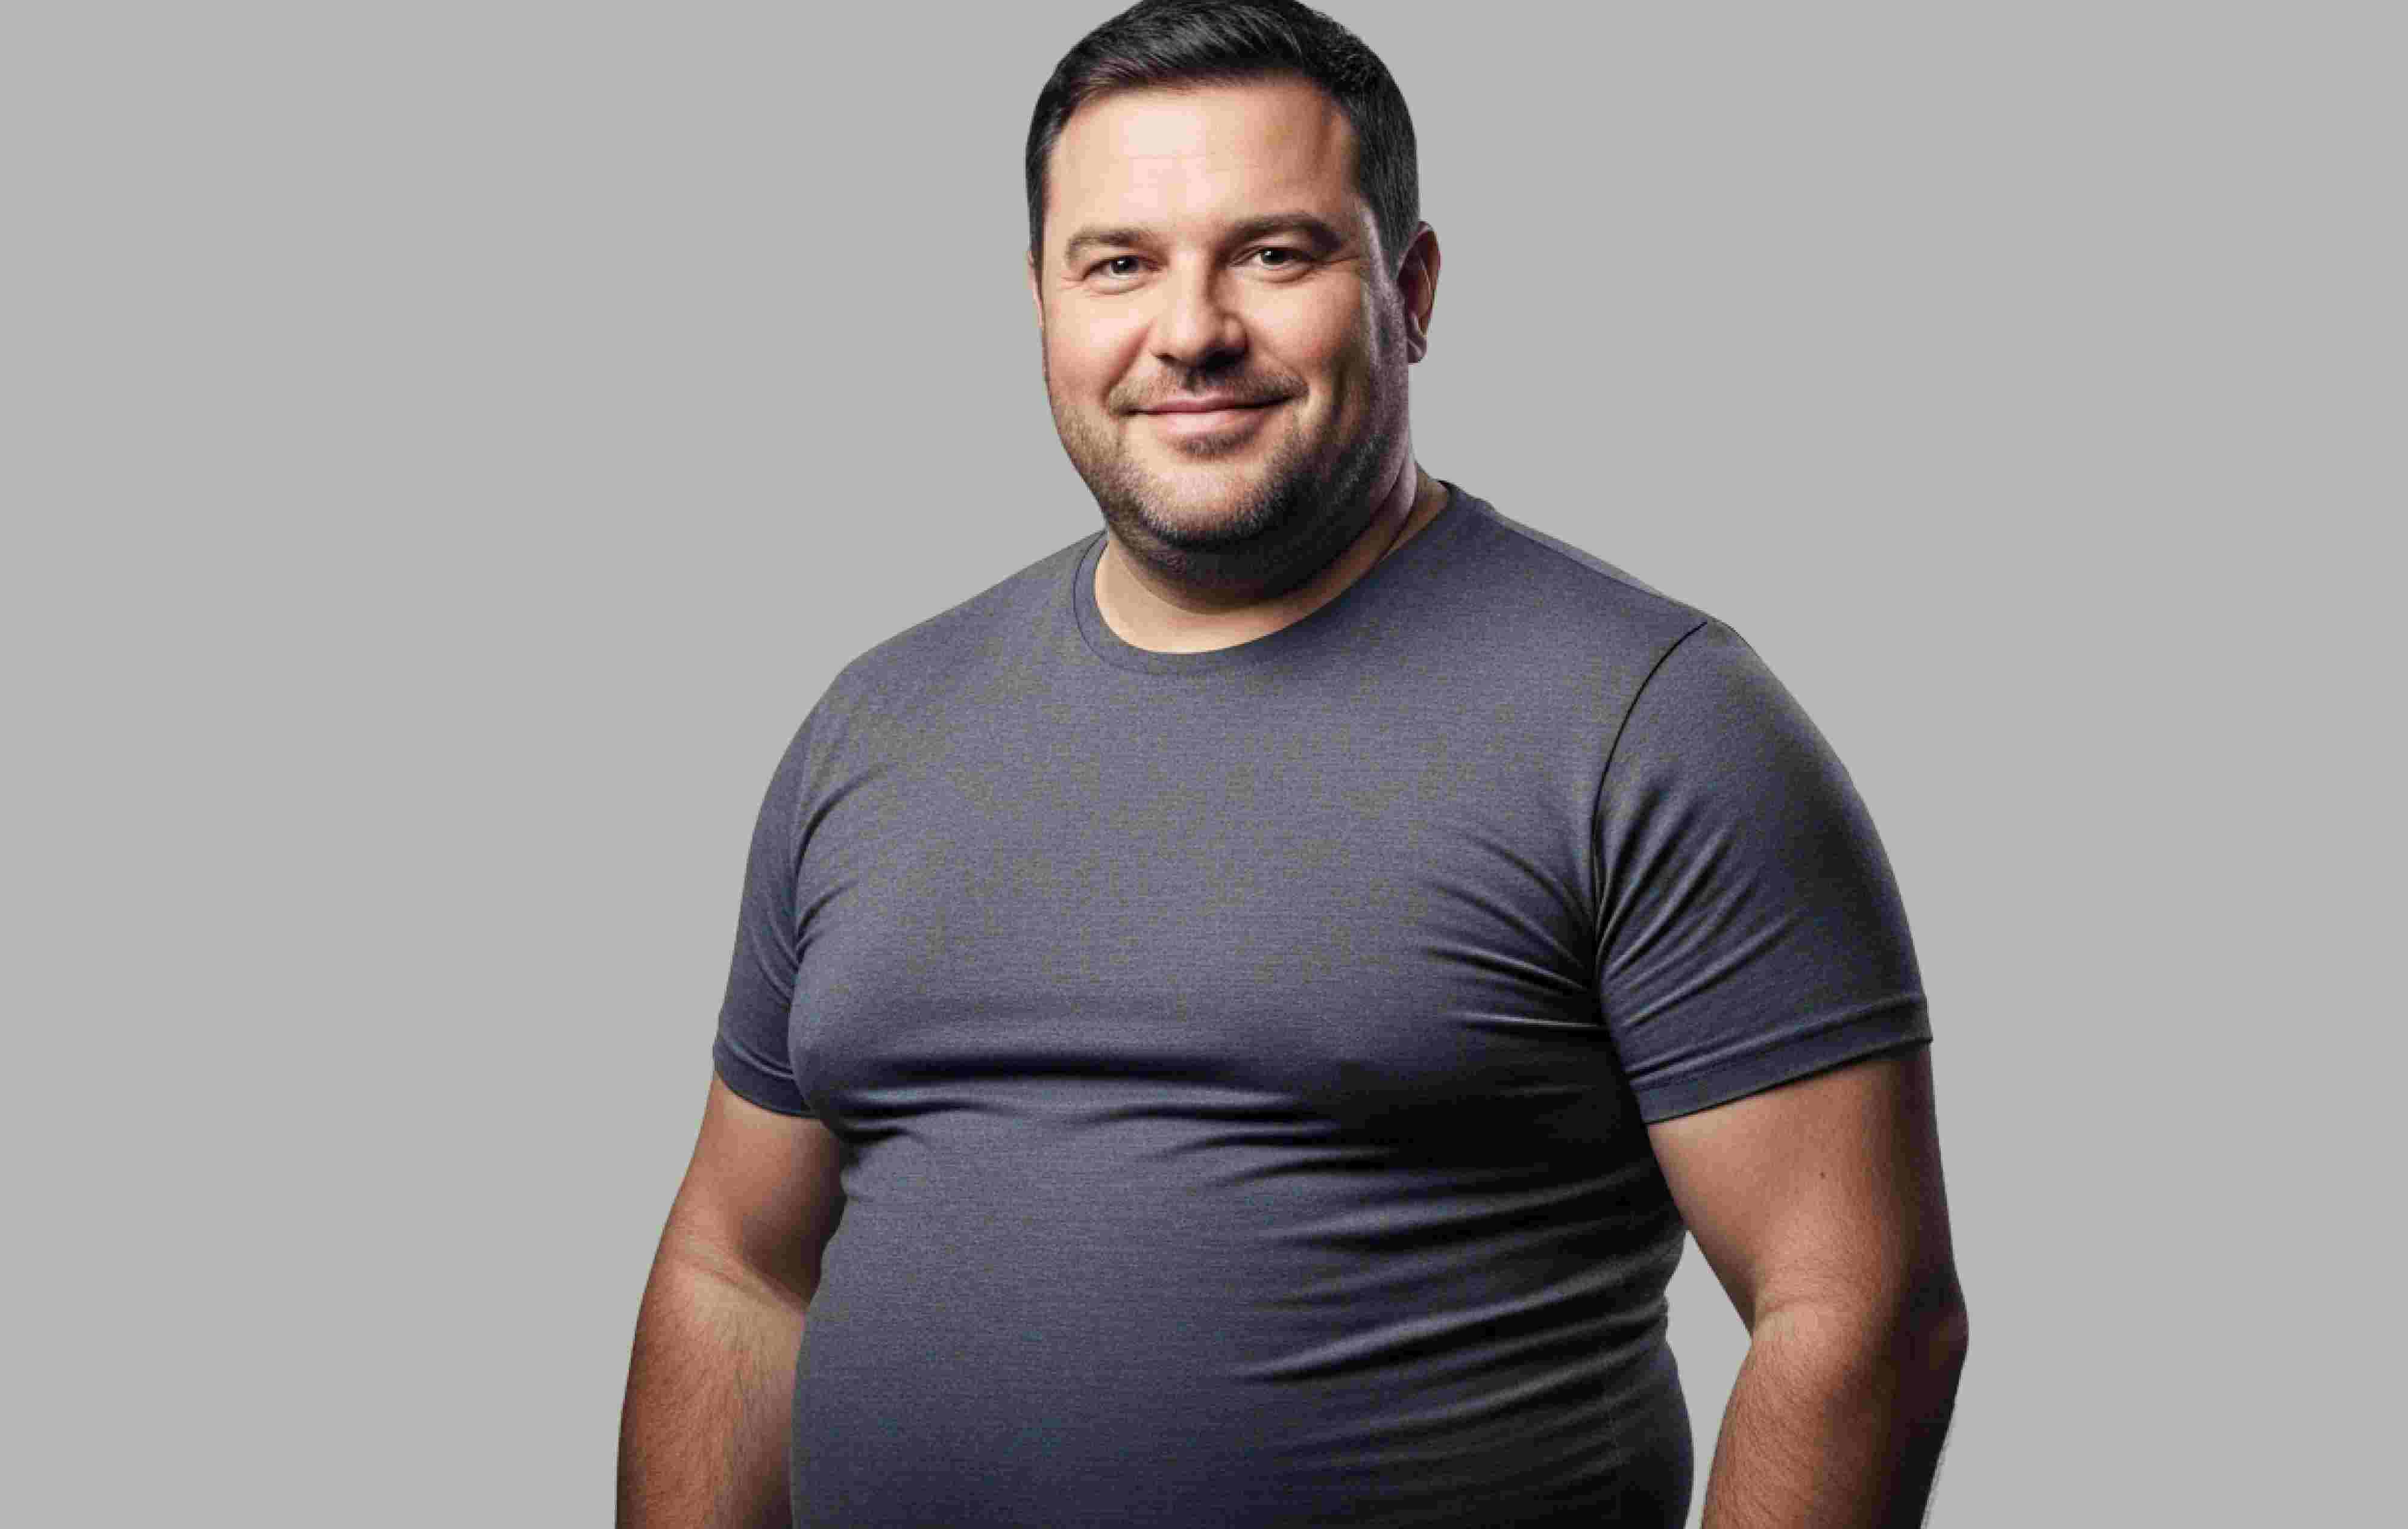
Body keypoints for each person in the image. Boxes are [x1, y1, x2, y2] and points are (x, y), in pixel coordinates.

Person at [617, 3, 1967, 1525]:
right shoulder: (877, 723)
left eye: (1274, 253)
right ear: (1043, 301)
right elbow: (736, 1270)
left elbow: (1856, 1309)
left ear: (1411, 289)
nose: (1189, 328)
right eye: (1118, 262)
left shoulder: (1652, 721)